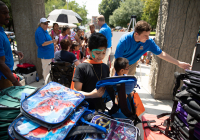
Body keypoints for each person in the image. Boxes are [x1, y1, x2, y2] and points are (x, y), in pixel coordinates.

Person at [115, 20, 191, 75]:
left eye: (148, 35)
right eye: (145, 35)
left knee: (128, 88)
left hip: (131, 64)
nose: (148, 38)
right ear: (136, 34)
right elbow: (118, 59)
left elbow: (161, 54)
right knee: (115, 86)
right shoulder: (124, 40)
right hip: (119, 63)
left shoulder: (149, 42)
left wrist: (178, 63)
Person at [73, 33, 109, 110]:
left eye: (103, 53)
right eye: (97, 53)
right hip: (84, 111)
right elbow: (76, 93)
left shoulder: (105, 67)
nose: (101, 56)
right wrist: (91, 95)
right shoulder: (81, 68)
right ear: (88, 50)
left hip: (101, 110)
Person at [0, 1, 24, 89]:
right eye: (4, 13)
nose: (8, 16)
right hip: (3, 78)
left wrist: (14, 51)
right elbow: (1, 63)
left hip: (7, 76)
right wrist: (15, 82)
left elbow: (3, 49)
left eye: (8, 13)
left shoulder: (1, 31)